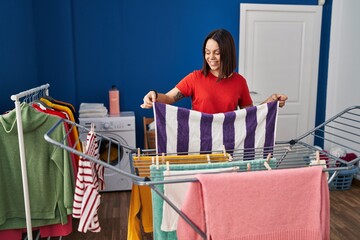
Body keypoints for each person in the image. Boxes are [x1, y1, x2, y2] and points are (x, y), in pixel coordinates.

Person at [141, 28, 287, 114]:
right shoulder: (194, 78)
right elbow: (169, 98)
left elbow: (249, 114)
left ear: (227, 52)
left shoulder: (239, 82)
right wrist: (154, 95)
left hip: (227, 146)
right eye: (207, 52)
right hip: (198, 144)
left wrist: (271, 102)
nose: (211, 57)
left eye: (217, 52)